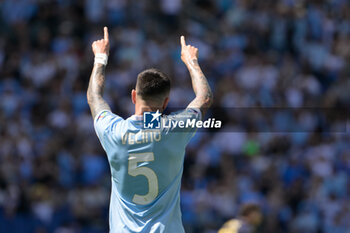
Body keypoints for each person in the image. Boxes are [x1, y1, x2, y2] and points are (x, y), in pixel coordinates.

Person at [87, 27, 213, 233]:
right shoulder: (173, 129)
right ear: (166, 103)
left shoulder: (114, 131)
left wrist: (100, 57)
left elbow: (95, 98)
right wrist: (192, 62)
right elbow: (204, 98)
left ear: (134, 96)